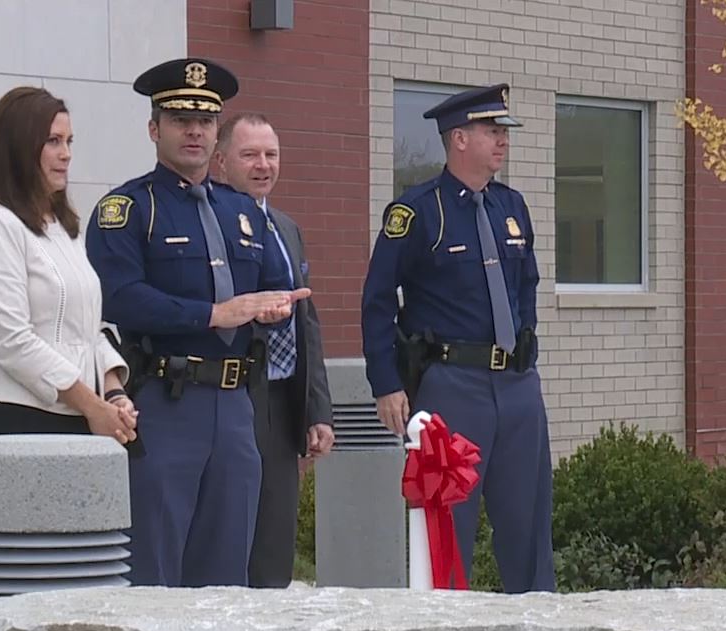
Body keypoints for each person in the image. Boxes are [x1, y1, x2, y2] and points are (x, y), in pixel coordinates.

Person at [85, 58, 311, 587]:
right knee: (155, 569)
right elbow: (117, 298)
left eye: (205, 121)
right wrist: (212, 315)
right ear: (153, 128)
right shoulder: (129, 209)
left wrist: (276, 307)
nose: (194, 130)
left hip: (235, 407)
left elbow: (277, 286)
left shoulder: (244, 211)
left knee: (227, 573)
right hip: (164, 402)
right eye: (179, 118)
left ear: (216, 133)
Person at [360, 84, 555, 593]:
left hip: (515, 387)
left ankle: (536, 628)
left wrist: (526, 345)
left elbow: (526, 284)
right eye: (492, 132)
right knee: (446, 525)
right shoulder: (417, 212)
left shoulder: (511, 207)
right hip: (452, 386)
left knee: (528, 521)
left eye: (503, 132)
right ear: (459, 139)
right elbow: (378, 300)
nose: (502, 142)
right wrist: (386, 383)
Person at [0, 86, 137, 446]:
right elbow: (12, 340)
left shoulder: (63, 229)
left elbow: (90, 330)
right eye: (53, 141)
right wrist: (92, 405)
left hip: (78, 415)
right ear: (20, 149)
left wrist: (114, 394)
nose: (66, 154)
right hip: (14, 417)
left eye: (70, 141)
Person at [211, 112, 335, 588]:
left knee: (275, 541)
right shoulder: (215, 223)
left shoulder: (286, 227)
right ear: (221, 161)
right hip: (238, 396)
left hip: (285, 402)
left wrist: (317, 410)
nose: (263, 165)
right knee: (232, 540)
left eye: (271, 154)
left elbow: (308, 322)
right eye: (250, 155)